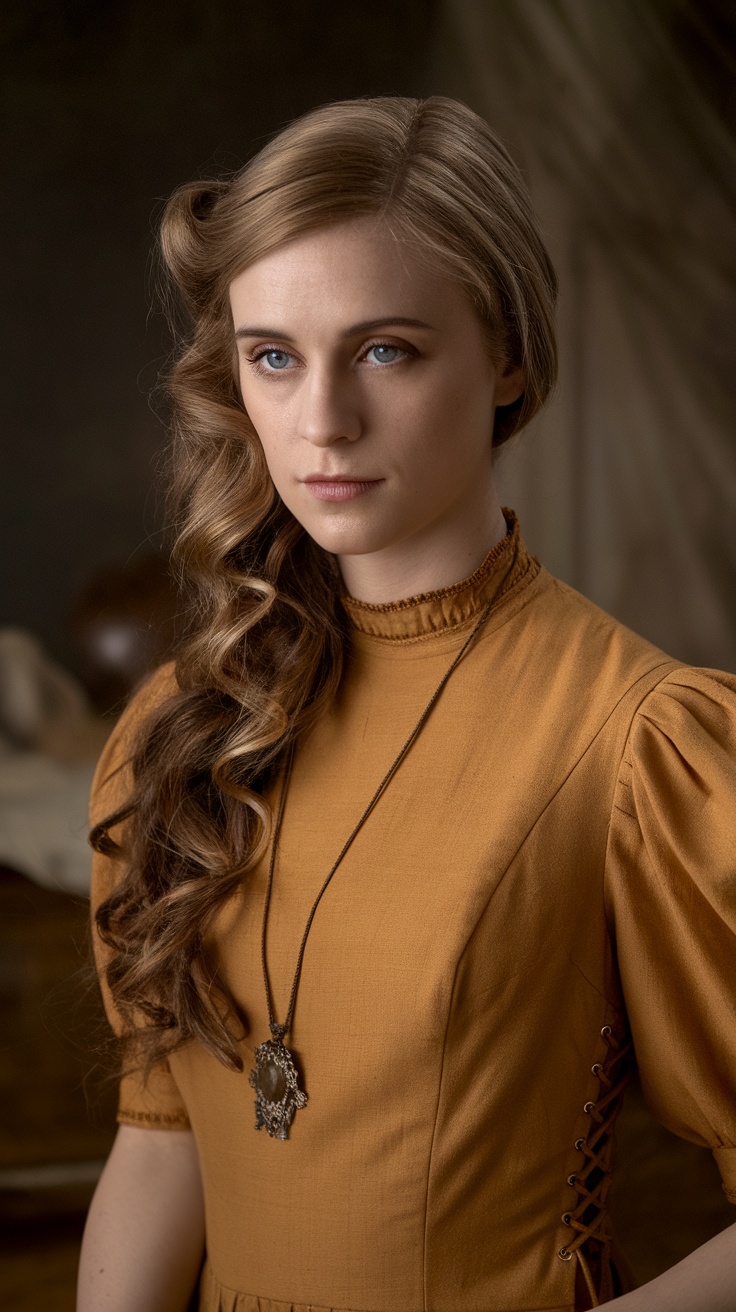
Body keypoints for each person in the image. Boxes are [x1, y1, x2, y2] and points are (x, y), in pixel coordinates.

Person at [77, 96, 736, 1312]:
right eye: (274, 355)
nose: (321, 420)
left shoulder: (642, 742)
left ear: (509, 356)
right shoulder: (190, 718)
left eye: (386, 349)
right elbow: (161, 1138)